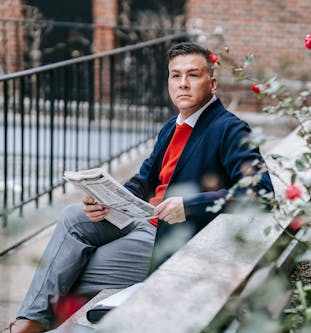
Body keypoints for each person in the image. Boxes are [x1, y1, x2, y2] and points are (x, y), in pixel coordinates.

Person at [3, 42, 274, 333]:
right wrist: (105, 198)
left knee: (71, 269)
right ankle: (29, 322)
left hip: (172, 238)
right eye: (175, 75)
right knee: (73, 216)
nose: (183, 84)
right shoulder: (172, 126)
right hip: (144, 218)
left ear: (212, 82)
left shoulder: (229, 129)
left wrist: (188, 205)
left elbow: (261, 193)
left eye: (193, 75)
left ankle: (28, 326)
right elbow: (144, 180)